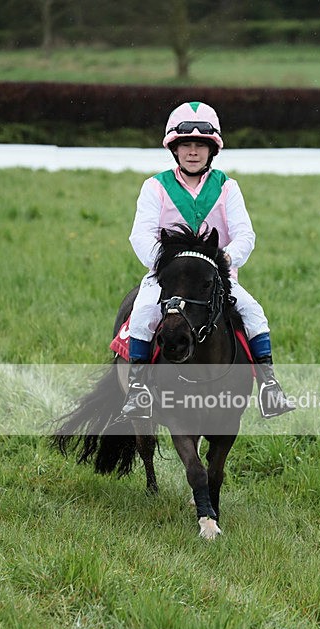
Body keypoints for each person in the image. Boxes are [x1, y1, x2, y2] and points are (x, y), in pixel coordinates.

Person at [121, 100, 295, 420]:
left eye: (200, 146)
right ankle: (137, 389)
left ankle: (270, 386)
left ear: (211, 150)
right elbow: (140, 235)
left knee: (253, 311)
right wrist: (166, 264)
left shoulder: (228, 187)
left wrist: (226, 259)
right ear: (174, 148)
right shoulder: (154, 187)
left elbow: (245, 234)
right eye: (185, 144)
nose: (192, 152)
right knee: (144, 309)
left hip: (214, 277)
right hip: (168, 276)